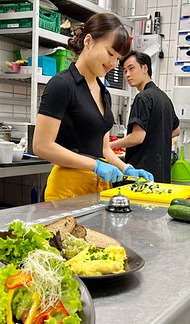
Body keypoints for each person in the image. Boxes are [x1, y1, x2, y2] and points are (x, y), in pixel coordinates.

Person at [33, 13, 153, 201]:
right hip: (66, 189)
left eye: (118, 59)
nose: (114, 64)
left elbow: (104, 149)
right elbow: (41, 146)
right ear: (88, 41)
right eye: (110, 53)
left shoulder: (104, 92)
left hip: (97, 189)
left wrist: (127, 168)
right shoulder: (62, 84)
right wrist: (95, 165)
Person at [109, 51, 181, 183]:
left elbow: (137, 137)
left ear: (144, 68)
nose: (127, 75)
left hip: (142, 173)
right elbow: (176, 130)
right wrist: (157, 137)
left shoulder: (143, 97)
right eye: (125, 71)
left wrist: (109, 145)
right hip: (162, 173)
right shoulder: (164, 98)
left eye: (131, 68)